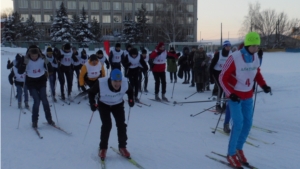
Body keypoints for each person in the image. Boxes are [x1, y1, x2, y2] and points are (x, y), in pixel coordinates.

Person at [219, 32, 271, 168]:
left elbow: (256, 72)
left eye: (257, 46)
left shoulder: (255, 58)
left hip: (248, 96)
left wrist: (264, 85)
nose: (256, 49)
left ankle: (238, 149)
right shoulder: (234, 57)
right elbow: (222, 77)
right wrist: (230, 94)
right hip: (235, 97)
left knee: (248, 124)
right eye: (254, 46)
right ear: (248, 45)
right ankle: (231, 154)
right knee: (238, 123)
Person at [88, 69, 134, 160]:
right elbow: (91, 93)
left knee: (121, 125)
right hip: (104, 105)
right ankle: (103, 148)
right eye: (115, 81)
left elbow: (130, 91)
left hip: (118, 104)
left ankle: (122, 147)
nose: (118, 84)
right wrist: (92, 103)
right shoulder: (101, 83)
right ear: (110, 79)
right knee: (107, 125)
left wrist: (131, 99)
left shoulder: (125, 82)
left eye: (119, 81)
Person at [18, 46, 55, 128]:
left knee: (44, 100)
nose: (34, 57)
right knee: (37, 101)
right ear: (29, 55)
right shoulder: (25, 59)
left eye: (35, 55)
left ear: (38, 54)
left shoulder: (42, 58)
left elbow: (50, 69)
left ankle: (49, 119)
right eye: (32, 56)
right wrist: (24, 63)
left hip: (41, 81)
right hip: (31, 82)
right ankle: (34, 121)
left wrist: (47, 63)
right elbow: (20, 71)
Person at [209, 40, 232, 113]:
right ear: (224, 46)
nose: (228, 47)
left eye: (229, 46)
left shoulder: (231, 54)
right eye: (227, 46)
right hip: (216, 72)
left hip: (225, 73)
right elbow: (211, 66)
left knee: (226, 88)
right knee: (221, 88)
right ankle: (218, 105)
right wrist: (211, 78)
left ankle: (225, 105)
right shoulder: (218, 54)